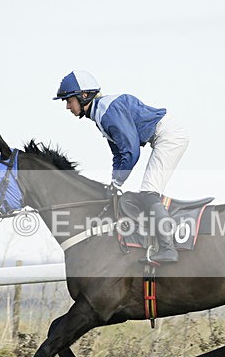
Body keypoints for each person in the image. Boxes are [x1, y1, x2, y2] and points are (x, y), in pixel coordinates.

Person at [54, 70, 189, 263]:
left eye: (69, 100)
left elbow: (131, 151)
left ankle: (168, 248)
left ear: (84, 96)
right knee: (147, 191)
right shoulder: (100, 114)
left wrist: (117, 182)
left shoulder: (107, 112)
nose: (68, 107)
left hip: (169, 136)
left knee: (149, 192)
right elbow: (118, 154)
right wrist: (113, 182)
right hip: (163, 136)